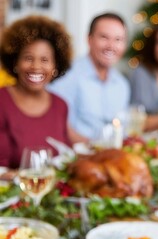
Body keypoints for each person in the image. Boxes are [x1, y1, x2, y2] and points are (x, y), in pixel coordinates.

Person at [0, 16, 72, 168]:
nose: (36, 66)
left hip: (49, 189)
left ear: (55, 67)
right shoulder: (2, 101)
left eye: (45, 60)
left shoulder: (61, 105)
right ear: (15, 63)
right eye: (28, 58)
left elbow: (65, 158)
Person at [49, 12, 130, 143]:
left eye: (118, 40)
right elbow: (59, 125)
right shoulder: (67, 75)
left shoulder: (122, 84)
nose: (111, 46)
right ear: (89, 39)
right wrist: (93, 150)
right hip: (77, 156)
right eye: (104, 37)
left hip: (112, 157)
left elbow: (123, 129)